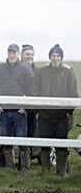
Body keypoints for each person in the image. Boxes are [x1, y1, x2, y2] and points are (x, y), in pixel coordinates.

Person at [32, 44, 78, 177]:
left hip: (62, 115)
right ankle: (45, 170)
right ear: (50, 57)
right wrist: (41, 110)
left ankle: (61, 172)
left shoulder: (68, 73)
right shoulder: (41, 72)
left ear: (61, 58)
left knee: (62, 143)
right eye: (53, 55)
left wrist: (69, 111)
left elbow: (73, 93)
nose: (55, 58)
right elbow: (35, 92)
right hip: (45, 115)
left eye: (58, 56)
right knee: (44, 143)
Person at [0, 44, 34, 169]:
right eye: (10, 53)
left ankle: (24, 166)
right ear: (7, 54)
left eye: (14, 53)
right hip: (4, 111)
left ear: (18, 54)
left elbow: (31, 89)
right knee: (6, 139)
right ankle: (10, 166)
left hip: (20, 111)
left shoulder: (25, 68)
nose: (12, 55)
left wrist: (25, 106)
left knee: (22, 139)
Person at [20, 43, 38, 169]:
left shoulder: (38, 72)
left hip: (32, 110)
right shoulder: (16, 69)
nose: (29, 56)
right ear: (21, 55)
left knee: (30, 135)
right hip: (18, 110)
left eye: (31, 54)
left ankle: (27, 164)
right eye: (27, 54)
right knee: (18, 136)